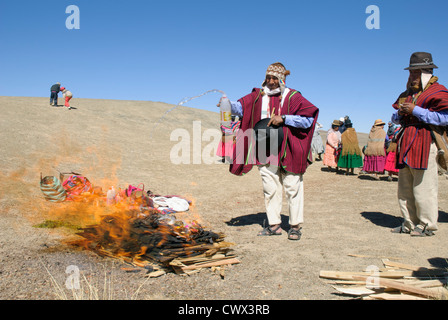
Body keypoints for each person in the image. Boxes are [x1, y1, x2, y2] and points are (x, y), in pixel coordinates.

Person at [223, 62, 319, 241]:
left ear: (282, 79)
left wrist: (284, 118)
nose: (271, 81)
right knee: (270, 187)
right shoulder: (258, 96)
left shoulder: (294, 97)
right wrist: (227, 104)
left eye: (275, 78)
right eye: (268, 77)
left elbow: (308, 120)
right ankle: (274, 224)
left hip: (289, 146)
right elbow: (241, 108)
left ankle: (295, 226)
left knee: (292, 186)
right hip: (265, 146)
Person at [390, 52, 448, 236]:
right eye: (411, 72)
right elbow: (394, 118)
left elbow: (444, 118)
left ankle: (426, 225)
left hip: (425, 141)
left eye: (416, 72)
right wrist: (399, 114)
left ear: (427, 72)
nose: (412, 76)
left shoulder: (438, 91)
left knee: (424, 186)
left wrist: (417, 111)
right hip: (406, 141)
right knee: (405, 186)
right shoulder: (406, 94)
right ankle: (408, 223)